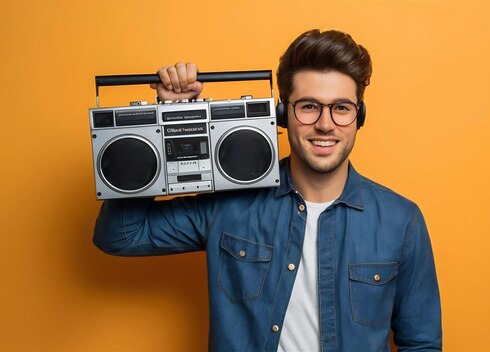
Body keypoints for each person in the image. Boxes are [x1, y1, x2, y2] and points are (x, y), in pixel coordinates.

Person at [93, 29, 442, 351]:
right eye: (308, 106)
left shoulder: (401, 221)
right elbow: (121, 235)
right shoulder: (229, 205)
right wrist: (165, 118)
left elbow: (422, 344)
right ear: (281, 114)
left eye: (341, 108)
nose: (324, 124)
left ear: (358, 116)